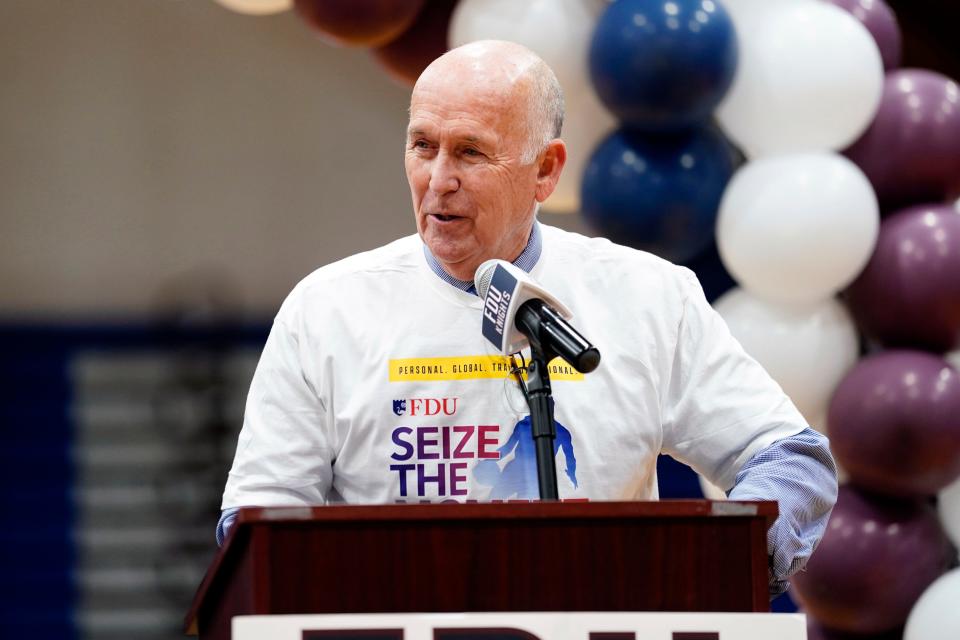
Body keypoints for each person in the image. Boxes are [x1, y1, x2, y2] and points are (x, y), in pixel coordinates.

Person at [218, 40, 837, 596]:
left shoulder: (650, 296)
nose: (438, 181)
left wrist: (717, 573)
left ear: (545, 170)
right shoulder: (325, 310)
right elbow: (257, 522)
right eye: (422, 146)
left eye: (470, 153)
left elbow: (791, 458)